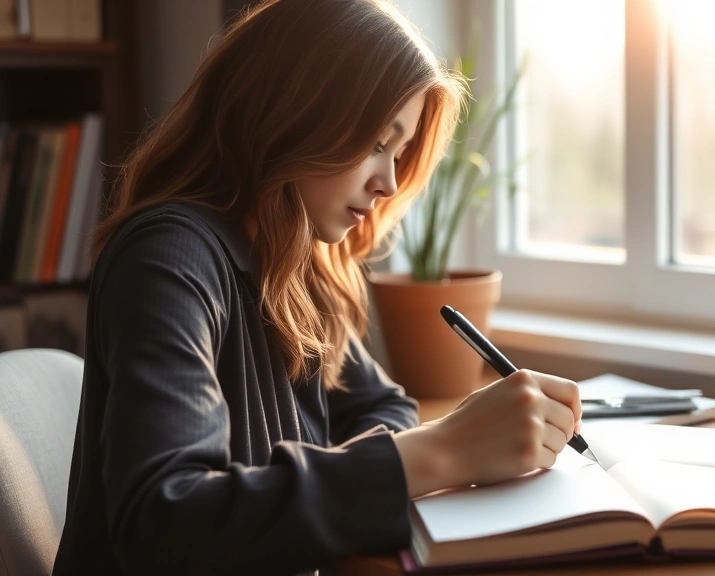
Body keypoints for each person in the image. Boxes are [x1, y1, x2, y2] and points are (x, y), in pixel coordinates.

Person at [51, 1, 582, 574]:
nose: (389, 182)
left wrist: (356, 474)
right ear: (295, 112)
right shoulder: (167, 259)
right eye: (379, 143)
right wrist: (444, 451)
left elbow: (381, 405)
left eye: (400, 154)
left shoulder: (294, 265)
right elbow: (167, 518)